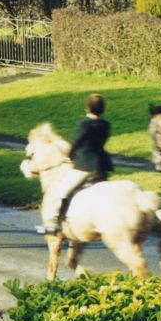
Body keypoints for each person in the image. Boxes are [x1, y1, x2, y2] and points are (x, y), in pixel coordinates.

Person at [39, 94, 113, 235]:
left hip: (85, 165)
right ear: (102, 109)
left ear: (87, 108)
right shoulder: (106, 125)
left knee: (62, 191)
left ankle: (54, 222)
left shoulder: (83, 125)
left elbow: (76, 144)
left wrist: (70, 157)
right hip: (102, 165)